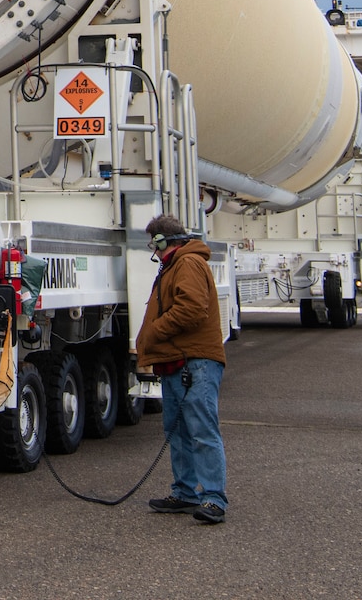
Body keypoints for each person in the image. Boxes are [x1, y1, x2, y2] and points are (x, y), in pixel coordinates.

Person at [135, 213, 228, 525]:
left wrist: (154, 331)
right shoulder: (173, 265)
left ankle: (213, 498)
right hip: (179, 363)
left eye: (154, 243)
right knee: (178, 430)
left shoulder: (187, 263)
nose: (153, 249)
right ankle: (186, 492)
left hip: (195, 362)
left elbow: (190, 309)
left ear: (163, 241)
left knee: (201, 430)